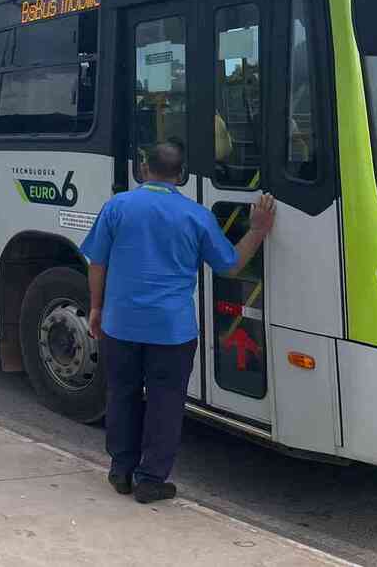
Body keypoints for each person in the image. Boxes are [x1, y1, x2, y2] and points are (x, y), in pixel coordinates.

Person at [81, 141, 276, 504]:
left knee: (121, 394)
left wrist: (96, 308)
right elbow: (230, 265)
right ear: (182, 175)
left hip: (120, 325)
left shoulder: (117, 207)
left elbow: (97, 263)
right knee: (165, 403)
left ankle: (120, 471)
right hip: (172, 332)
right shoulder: (196, 215)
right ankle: (151, 480)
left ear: (143, 169)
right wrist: (258, 229)